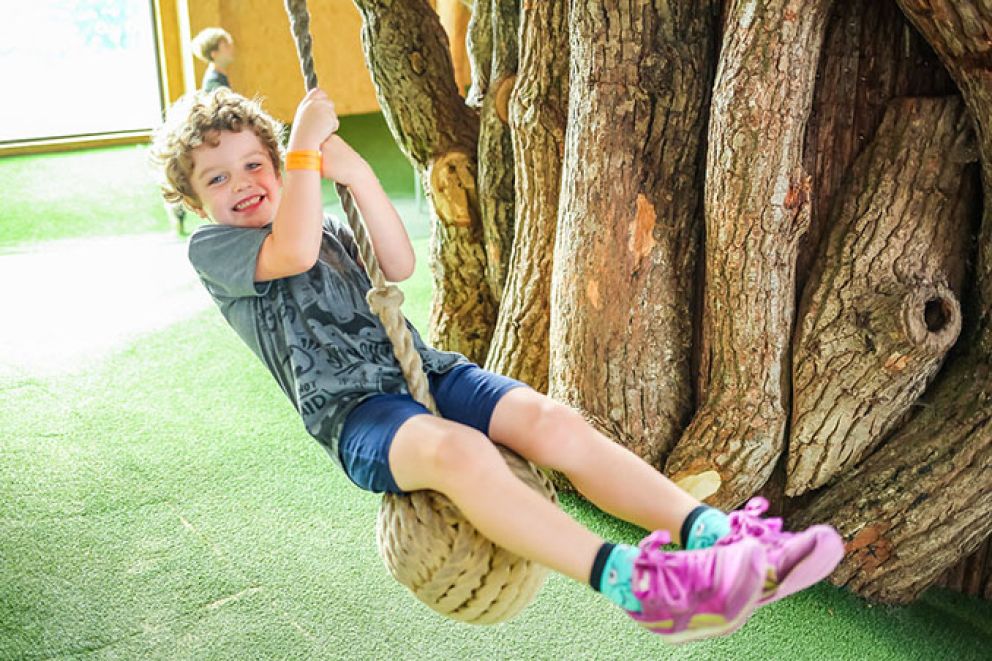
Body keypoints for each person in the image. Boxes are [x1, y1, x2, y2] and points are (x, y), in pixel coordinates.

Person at [149, 87, 844, 644]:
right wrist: (300, 147)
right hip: (361, 415)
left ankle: (718, 537)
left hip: (425, 369)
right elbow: (292, 252)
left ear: (274, 165)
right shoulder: (217, 251)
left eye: (253, 164)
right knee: (458, 450)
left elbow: (397, 262)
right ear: (195, 201)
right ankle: (638, 584)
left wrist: (355, 173)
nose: (240, 183)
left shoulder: (325, 227)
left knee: (553, 422)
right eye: (216, 177)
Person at [191, 27, 235, 92]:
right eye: (226, 46)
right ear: (214, 54)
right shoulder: (213, 83)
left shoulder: (220, 77)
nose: (231, 48)